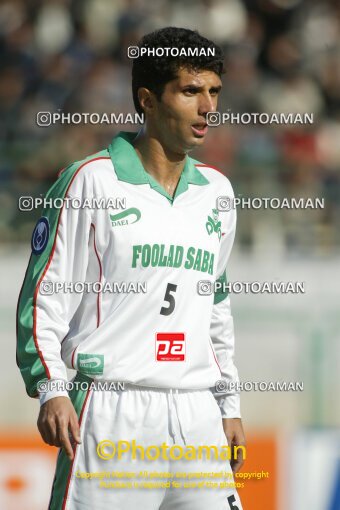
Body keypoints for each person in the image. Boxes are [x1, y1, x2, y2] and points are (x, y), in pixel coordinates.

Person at [16, 27, 245, 510]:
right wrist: (51, 390)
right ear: (147, 99)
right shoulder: (89, 181)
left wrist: (229, 404)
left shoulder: (218, 193)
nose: (209, 107)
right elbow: (44, 296)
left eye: (214, 92)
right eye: (190, 92)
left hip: (197, 412)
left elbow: (216, 307)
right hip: (111, 409)